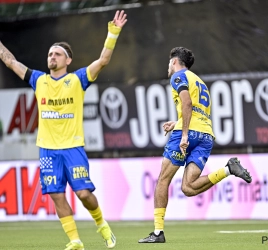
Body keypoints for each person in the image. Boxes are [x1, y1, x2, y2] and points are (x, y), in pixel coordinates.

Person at [0, 10, 127, 250]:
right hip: (47, 149)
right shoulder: (38, 80)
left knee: (83, 194)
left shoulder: (78, 79)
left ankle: (102, 225)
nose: (52, 57)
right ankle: (75, 241)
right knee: (57, 195)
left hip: (72, 147)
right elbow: (10, 61)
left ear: (68, 60)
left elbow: (103, 61)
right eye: (49, 54)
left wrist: (113, 33)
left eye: (57, 54)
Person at [138, 47, 252, 243]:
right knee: (188, 188)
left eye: (169, 63)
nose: (168, 67)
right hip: (206, 135)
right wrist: (177, 122)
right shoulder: (199, 81)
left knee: (163, 180)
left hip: (188, 133)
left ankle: (157, 233)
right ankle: (228, 170)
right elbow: (197, 110)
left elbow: (187, 103)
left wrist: (182, 133)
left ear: (174, 62)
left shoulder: (177, 76)